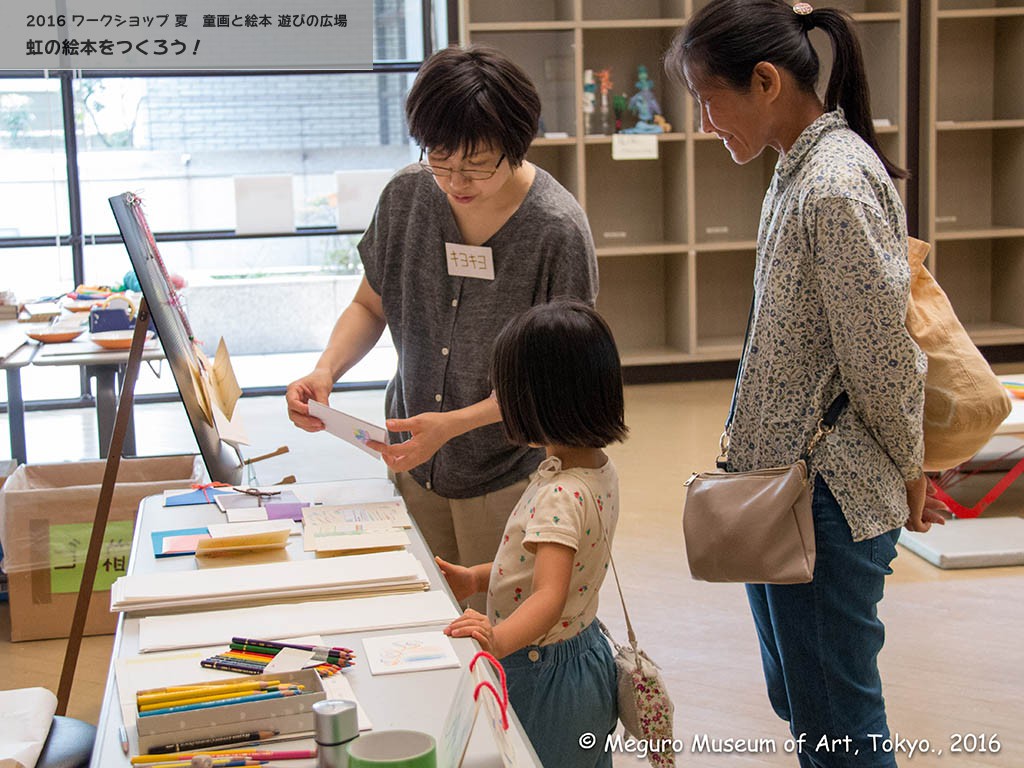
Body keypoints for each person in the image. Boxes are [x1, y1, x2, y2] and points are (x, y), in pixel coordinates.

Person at [665, 2, 946, 766]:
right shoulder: (797, 170)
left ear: (764, 81)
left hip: (829, 499)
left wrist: (913, 471)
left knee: (838, 725)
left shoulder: (832, 184)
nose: (704, 121)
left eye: (706, 98)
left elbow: (882, 358)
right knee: (807, 702)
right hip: (786, 491)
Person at [285, 45, 598, 601]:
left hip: (508, 472)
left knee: (497, 636)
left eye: (477, 164)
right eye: (439, 157)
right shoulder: (408, 195)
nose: (456, 179)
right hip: (411, 464)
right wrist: (325, 371)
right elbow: (369, 305)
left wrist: (451, 425)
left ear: (516, 144)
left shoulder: (556, 230)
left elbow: (558, 382)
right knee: (424, 620)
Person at [438, 299, 626, 768]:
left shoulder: (560, 494)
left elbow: (549, 595)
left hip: (544, 670)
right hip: (582, 658)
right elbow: (539, 564)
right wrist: (477, 578)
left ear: (539, 400)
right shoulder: (593, 471)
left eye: (505, 392)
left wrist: (498, 640)